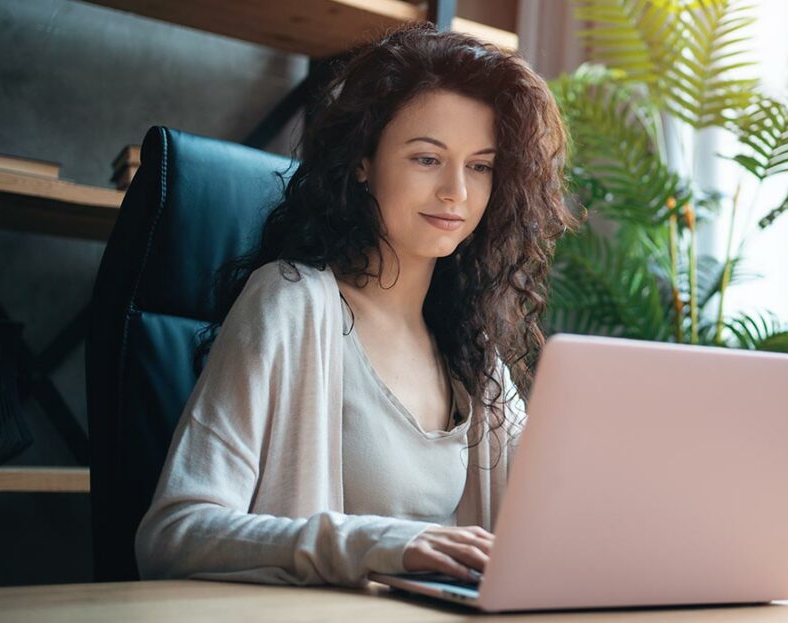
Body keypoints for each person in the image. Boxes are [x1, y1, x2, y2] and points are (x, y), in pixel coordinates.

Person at [134, 22, 579, 587]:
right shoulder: (290, 301)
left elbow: (555, 519)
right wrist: (384, 543)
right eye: (426, 158)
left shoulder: (471, 353)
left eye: (481, 166)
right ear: (363, 161)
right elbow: (173, 533)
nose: (456, 193)